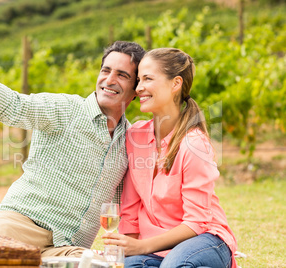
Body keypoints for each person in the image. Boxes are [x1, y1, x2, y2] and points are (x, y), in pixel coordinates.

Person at [0, 35, 145, 258]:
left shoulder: (130, 141)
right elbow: (13, 106)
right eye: (106, 71)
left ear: (136, 89)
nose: (110, 79)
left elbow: (122, 206)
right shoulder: (64, 109)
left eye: (122, 75)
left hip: (68, 248)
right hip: (19, 228)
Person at [102, 48, 238, 268]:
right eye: (138, 80)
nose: (139, 88)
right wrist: (126, 252)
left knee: (174, 266)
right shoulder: (134, 136)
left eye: (147, 79)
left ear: (175, 84)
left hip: (203, 239)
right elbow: (130, 209)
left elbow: (197, 222)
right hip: (157, 249)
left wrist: (142, 248)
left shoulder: (194, 144)